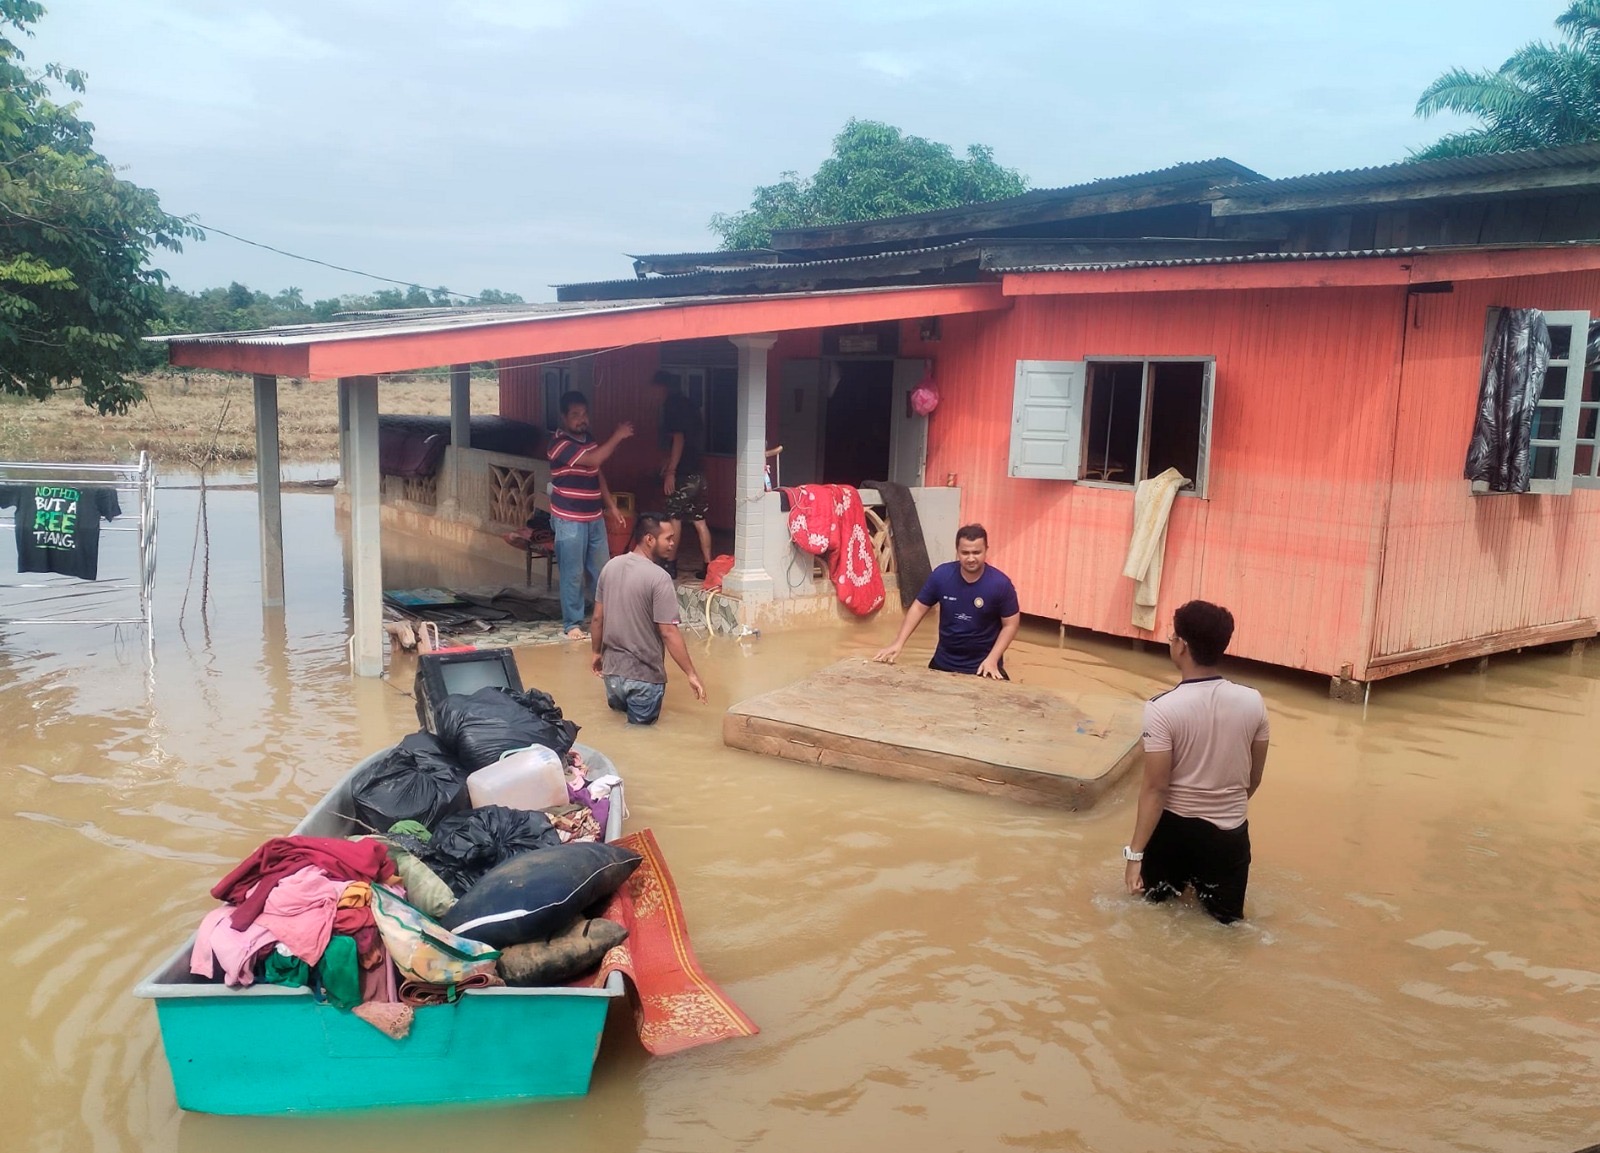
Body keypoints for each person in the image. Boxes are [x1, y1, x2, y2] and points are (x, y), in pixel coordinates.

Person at [1122, 600, 1270, 925]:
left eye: (1173, 637)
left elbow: (1155, 789)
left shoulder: (1162, 708)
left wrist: (1135, 855)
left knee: (1152, 921)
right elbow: (1253, 778)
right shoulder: (1253, 702)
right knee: (1227, 928)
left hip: (1173, 833)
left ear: (1182, 647)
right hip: (1228, 838)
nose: (1171, 642)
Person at [590, 512, 707, 724]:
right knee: (640, 739)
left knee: (619, 732)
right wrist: (691, 673)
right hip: (644, 679)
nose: (673, 543)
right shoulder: (659, 578)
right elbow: (668, 632)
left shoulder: (610, 567)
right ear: (649, 539)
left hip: (612, 675)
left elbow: (598, 618)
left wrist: (596, 653)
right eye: (668, 538)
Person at [872, 523, 1020, 678]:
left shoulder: (1000, 584)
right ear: (957, 551)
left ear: (986, 551)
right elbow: (919, 607)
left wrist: (993, 659)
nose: (971, 558)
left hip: (983, 666)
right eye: (965, 552)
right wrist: (899, 642)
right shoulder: (942, 576)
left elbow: (1010, 625)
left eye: (976, 552)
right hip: (943, 663)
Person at [546, 390, 632, 640]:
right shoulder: (559, 444)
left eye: (584, 414)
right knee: (572, 574)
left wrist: (611, 506)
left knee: (601, 571)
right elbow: (594, 458)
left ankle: (603, 619)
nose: (581, 419)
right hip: (568, 518)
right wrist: (617, 436)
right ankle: (572, 624)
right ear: (563, 417)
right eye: (575, 415)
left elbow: (596, 470)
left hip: (593, 517)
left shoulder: (589, 439)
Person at [649, 369, 712, 578]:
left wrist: (671, 471)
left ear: (663, 387)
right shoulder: (690, 405)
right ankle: (708, 567)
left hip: (684, 474)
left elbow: (679, 438)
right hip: (699, 474)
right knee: (699, 520)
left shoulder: (672, 406)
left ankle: (670, 564)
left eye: (655, 389)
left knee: (673, 516)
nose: (653, 394)